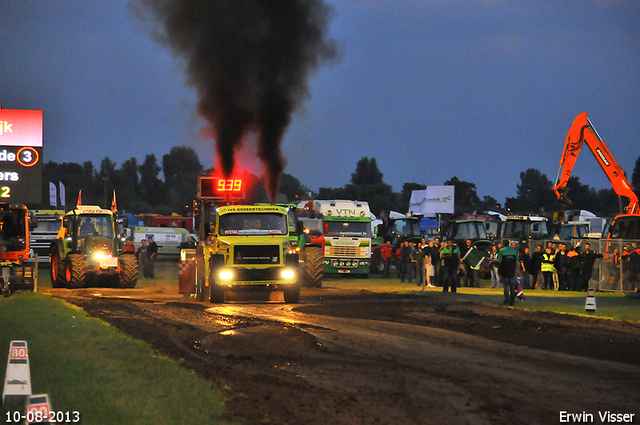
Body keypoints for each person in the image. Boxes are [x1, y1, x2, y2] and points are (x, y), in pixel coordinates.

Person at [494, 238, 520, 306]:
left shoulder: (501, 251)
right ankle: (512, 301)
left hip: (504, 270)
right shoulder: (514, 251)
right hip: (512, 270)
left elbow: (499, 260)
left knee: (505, 286)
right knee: (512, 286)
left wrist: (491, 259)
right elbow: (517, 262)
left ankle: (507, 300)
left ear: (503, 244)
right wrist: (518, 271)